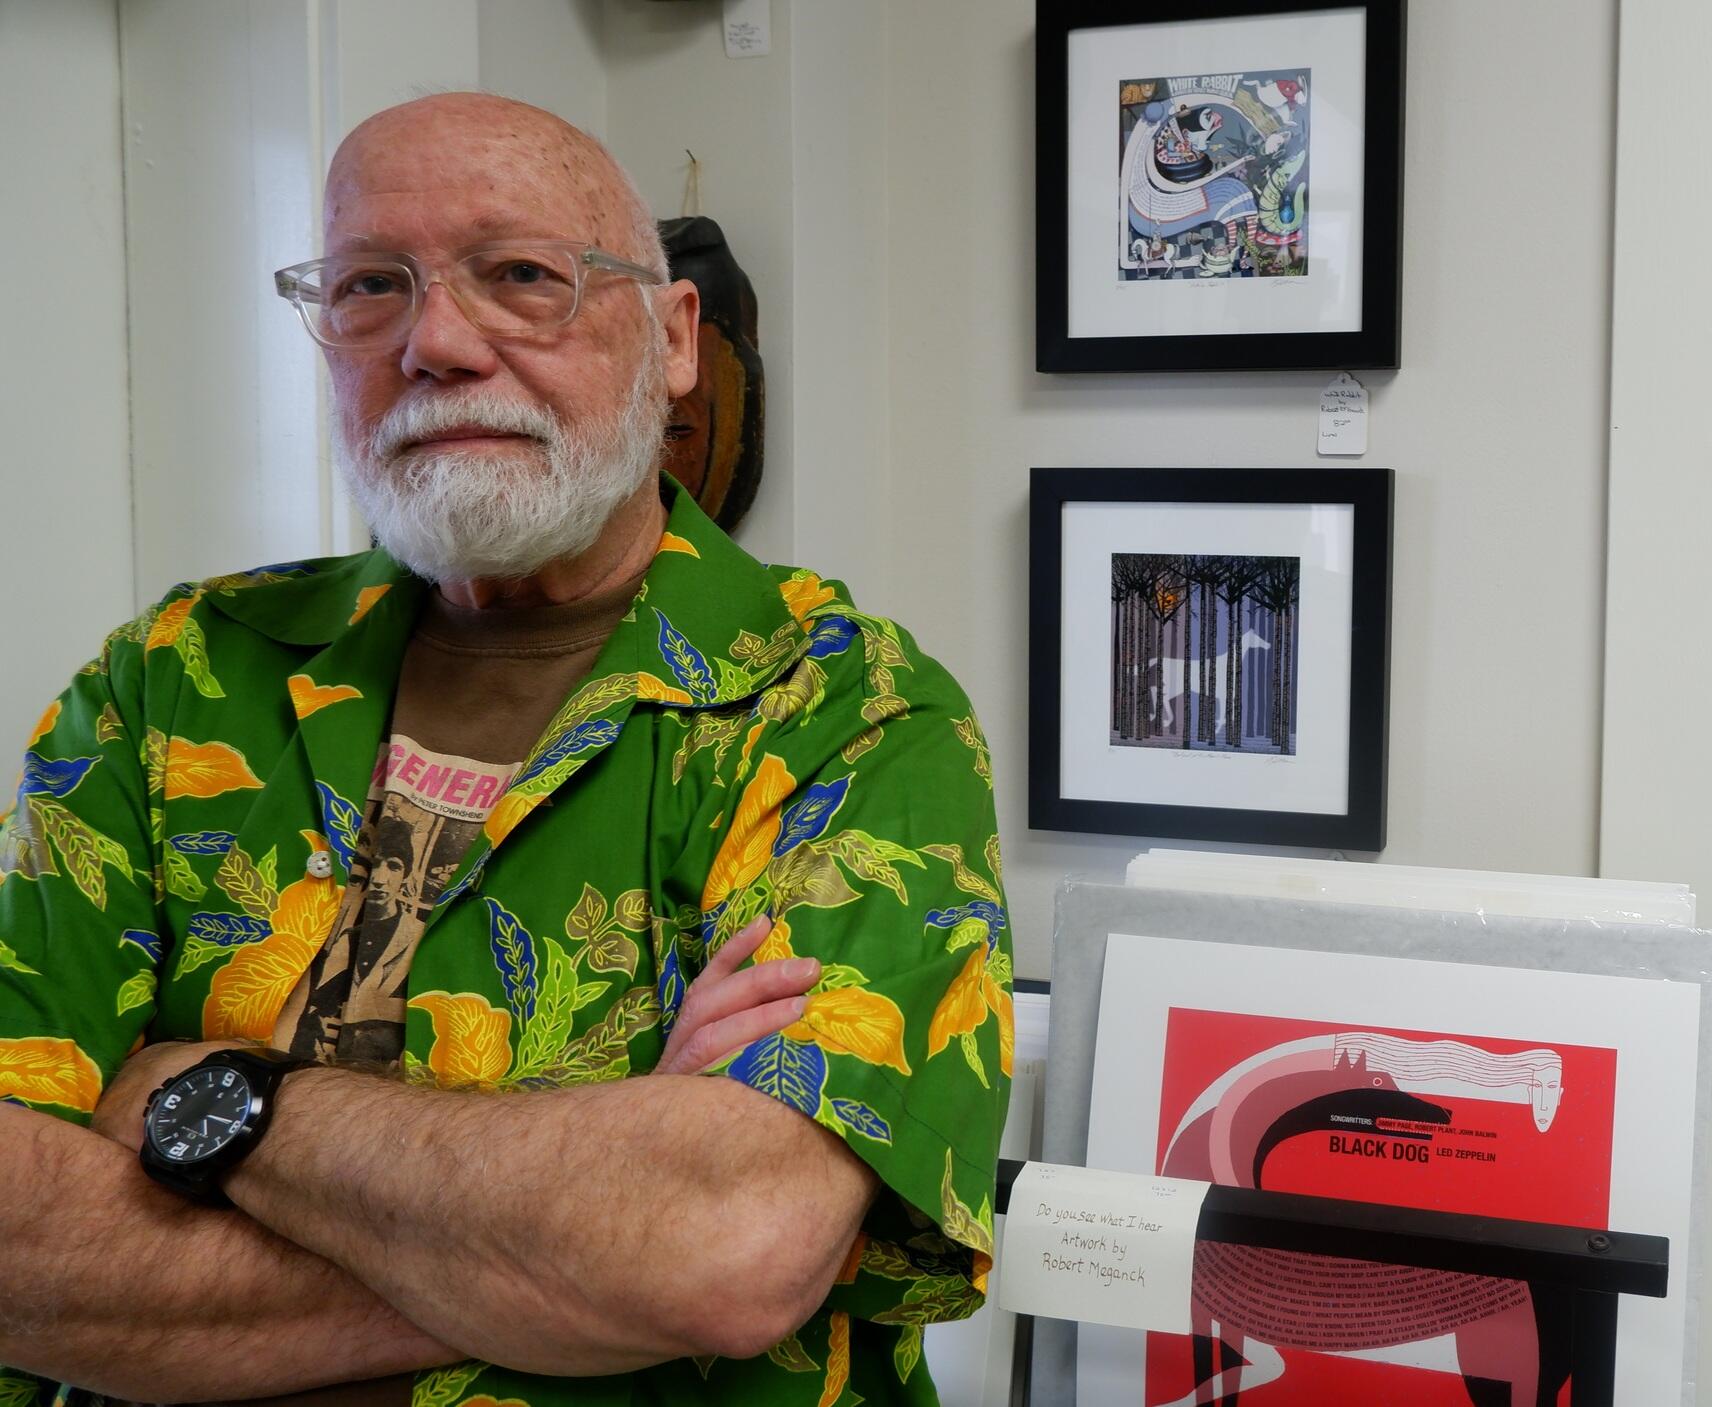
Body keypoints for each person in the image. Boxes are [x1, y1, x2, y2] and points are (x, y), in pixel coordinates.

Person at [0, 93, 1010, 1406]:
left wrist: (213, 1101)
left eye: (521, 275)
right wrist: (569, 1251)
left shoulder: (846, 712)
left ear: (673, 338)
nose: (435, 343)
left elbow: (724, 1252)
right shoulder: (170, 681)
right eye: (371, 285)